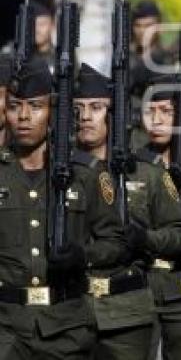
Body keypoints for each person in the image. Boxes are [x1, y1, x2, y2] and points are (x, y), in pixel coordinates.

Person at [0, 58, 126, 358]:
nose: (24, 116)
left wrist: (84, 256)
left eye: (35, 106)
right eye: (15, 106)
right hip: (4, 328)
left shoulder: (86, 173)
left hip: (65, 328)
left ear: (54, 112)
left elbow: (116, 242)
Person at [75, 64, 181, 360]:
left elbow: (180, 235)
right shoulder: (54, 173)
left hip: (126, 307)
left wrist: (146, 239)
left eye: (97, 108)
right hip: (70, 307)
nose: (86, 117)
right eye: (78, 108)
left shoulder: (147, 172)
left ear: (115, 115)